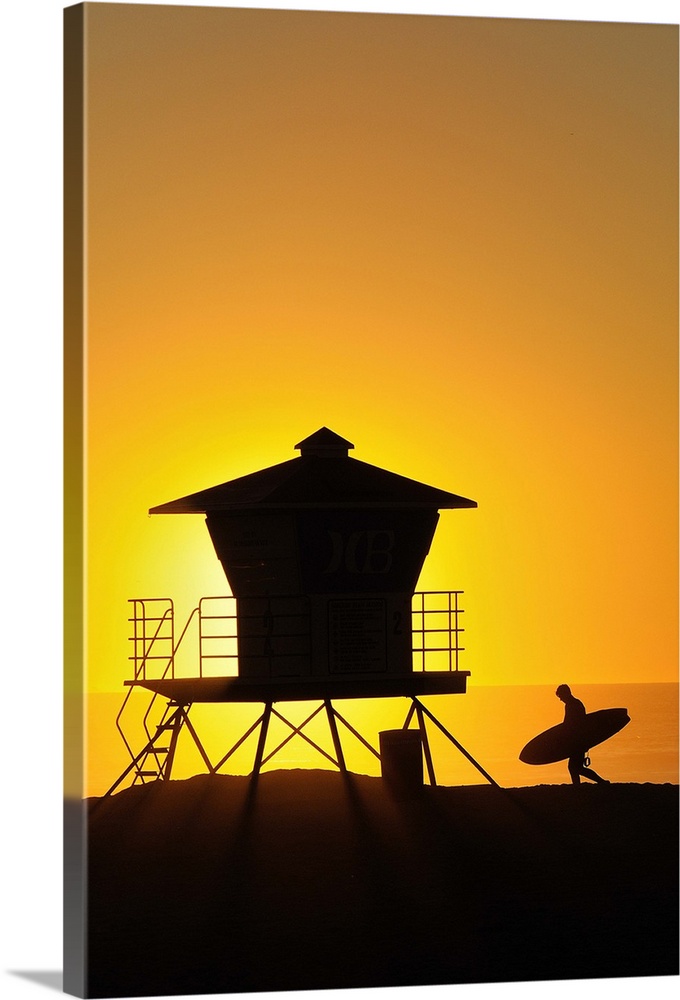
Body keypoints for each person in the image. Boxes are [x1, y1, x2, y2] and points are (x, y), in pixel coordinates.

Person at [555, 684, 610, 785]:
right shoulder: (575, 703)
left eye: (561, 696)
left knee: (575, 767)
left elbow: (569, 724)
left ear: (565, 693)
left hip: (578, 741)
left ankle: (600, 782)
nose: (561, 699)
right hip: (579, 740)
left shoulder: (572, 705)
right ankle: (579, 785)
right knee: (575, 767)